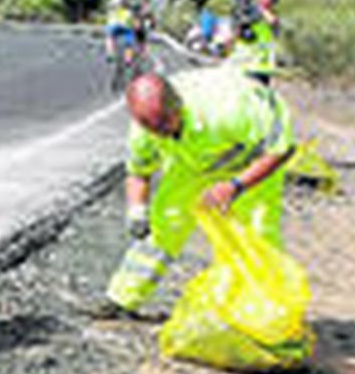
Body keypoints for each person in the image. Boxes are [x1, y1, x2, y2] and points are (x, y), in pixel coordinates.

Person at [90, 67, 296, 319]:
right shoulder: (145, 130)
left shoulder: (230, 107)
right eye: (154, 129)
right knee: (163, 223)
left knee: (256, 233)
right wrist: (137, 210)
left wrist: (235, 185)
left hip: (250, 159)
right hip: (192, 162)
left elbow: (282, 149)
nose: (161, 133)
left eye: (164, 124)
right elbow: (138, 172)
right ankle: (123, 299)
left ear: (178, 106)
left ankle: (263, 313)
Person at [226, 0, 280, 85]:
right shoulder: (252, 12)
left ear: (271, 1)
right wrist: (231, 41)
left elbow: (273, 22)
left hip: (262, 61)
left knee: (261, 84)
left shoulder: (269, 15)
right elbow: (240, 28)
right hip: (246, 57)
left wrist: (261, 9)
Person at [102, 0, 138, 64]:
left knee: (110, 36)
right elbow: (135, 23)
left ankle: (110, 52)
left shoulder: (116, 8)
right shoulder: (130, 10)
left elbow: (109, 8)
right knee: (129, 43)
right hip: (127, 28)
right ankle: (128, 59)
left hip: (117, 26)